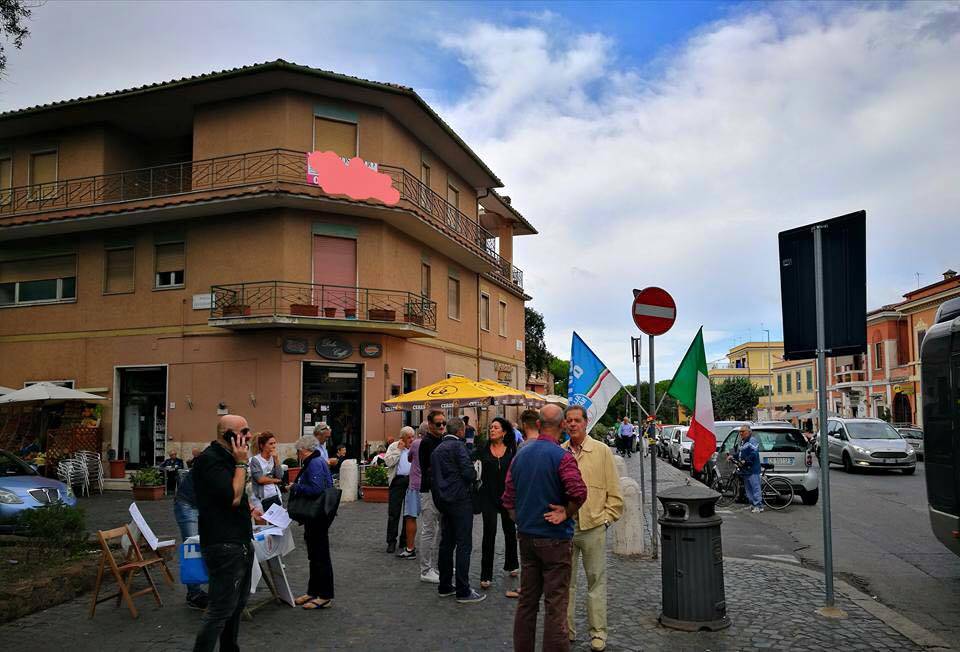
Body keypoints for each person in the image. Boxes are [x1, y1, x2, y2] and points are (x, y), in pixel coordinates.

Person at [502, 404, 588, 652]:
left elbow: (508, 499)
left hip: (527, 538)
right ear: (562, 426)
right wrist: (566, 512)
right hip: (555, 540)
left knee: (527, 602)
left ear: (538, 425)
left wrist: (522, 519)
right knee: (556, 605)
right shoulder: (562, 457)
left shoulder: (520, 455)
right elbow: (579, 492)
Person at [563, 405, 624, 652]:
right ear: (565, 424)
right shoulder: (560, 453)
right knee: (565, 583)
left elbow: (615, 493)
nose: (573, 424)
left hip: (594, 527)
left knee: (595, 583)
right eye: (569, 421)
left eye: (577, 420)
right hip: (566, 528)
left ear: (586, 422)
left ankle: (598, 633)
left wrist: (606, 519)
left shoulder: (601, 451)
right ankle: (565, 630)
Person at [191, 414, 255, 652]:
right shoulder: (210, 460)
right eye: (244, 431)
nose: (249, 436)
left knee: (237, 605)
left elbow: (236, 497)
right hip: (223, 544)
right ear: (228, 435)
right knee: (220, 609)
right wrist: (241, 463)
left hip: (239, 540)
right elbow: (232, 497)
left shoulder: (228, 458)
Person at [431, 417, 485, 603]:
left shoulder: (437, 449)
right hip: (460, 500)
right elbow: (468, 473)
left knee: (447, 543)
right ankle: (463, 589)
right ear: (461, 431)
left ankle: (445, 584)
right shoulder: (458, 447)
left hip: (443, 500)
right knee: (464, 544)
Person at [291, 434, 337, 609]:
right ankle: (313, 591)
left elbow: (316, 489)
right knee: (314, 555)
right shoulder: (317, 461)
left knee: (320, 555)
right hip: (315, 515)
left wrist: (296, 487)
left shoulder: (315, 463)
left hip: (317, 515)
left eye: (299, 451)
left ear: (305, 450)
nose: (298, 455)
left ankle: (324, 595)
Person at [476, 417, 519, 590]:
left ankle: (512, 563)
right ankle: (486, 574)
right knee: (489, 533)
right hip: (488, 496)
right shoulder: (483, 448)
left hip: (507, 496)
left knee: (510, 531)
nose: (492, 430)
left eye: (496, 427)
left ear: (504, 431)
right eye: (491, 427)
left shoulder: (511, 449)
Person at [173, 463, 207, 610]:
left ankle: (200, 590)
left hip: (201, 504)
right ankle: (194, 594)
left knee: (204, 545)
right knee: (192, 547)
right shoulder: (215, 461)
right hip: (187, 504)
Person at [417, 411, 446, 584]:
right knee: (429, 529)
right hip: (429, 491)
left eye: (443, 423)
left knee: (441, 528)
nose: (442, 426)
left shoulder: (441, 440)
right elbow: (427, 468)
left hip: (440, 490)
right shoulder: (426, 443)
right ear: (429, 424)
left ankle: (439, 565)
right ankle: (426, 569)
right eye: (438, 424)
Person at [384, 427, 413, 553]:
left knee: (408, 514)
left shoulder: (415, 447)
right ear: (402, 438)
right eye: (409, 437)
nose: (411, 439)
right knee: (394, 513)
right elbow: (388, 462)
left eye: (413, 436)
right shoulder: (394, 446)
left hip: (411, 482)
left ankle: (404, 540)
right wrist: (399, 450)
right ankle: (391, 541)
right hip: (397, 482)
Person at [398, 423, 426, 560]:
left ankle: (410, 548)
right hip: (430, 486)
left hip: (415, 485)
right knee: (432, 521)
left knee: (411, 517)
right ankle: (432, 551)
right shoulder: (438, 443)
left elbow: (410, 458)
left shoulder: (416, 444)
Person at [728, 424, 763, 513]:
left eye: (743, 431)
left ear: (749, 432)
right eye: (740, 431)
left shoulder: (752, 441)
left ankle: (759, 506)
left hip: (752, 468)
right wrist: (732, 456)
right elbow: (740, 454)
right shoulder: (743, 441)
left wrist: (745, 461)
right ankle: (753, 504)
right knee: (748, 489)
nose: (741, 433)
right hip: (745, 469)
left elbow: (754, 454)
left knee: (755, 488)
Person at [250, 432, 283, 512]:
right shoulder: (255, 460)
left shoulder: (274, 458)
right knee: (262, 522)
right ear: (262, 446)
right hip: (260, 497)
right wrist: (275, 480)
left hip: (275, 494)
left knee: (276, 521)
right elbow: (260, 479)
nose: (274, 446)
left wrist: (276, 460)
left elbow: (280, 476)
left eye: (275, 443)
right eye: (271, 444)